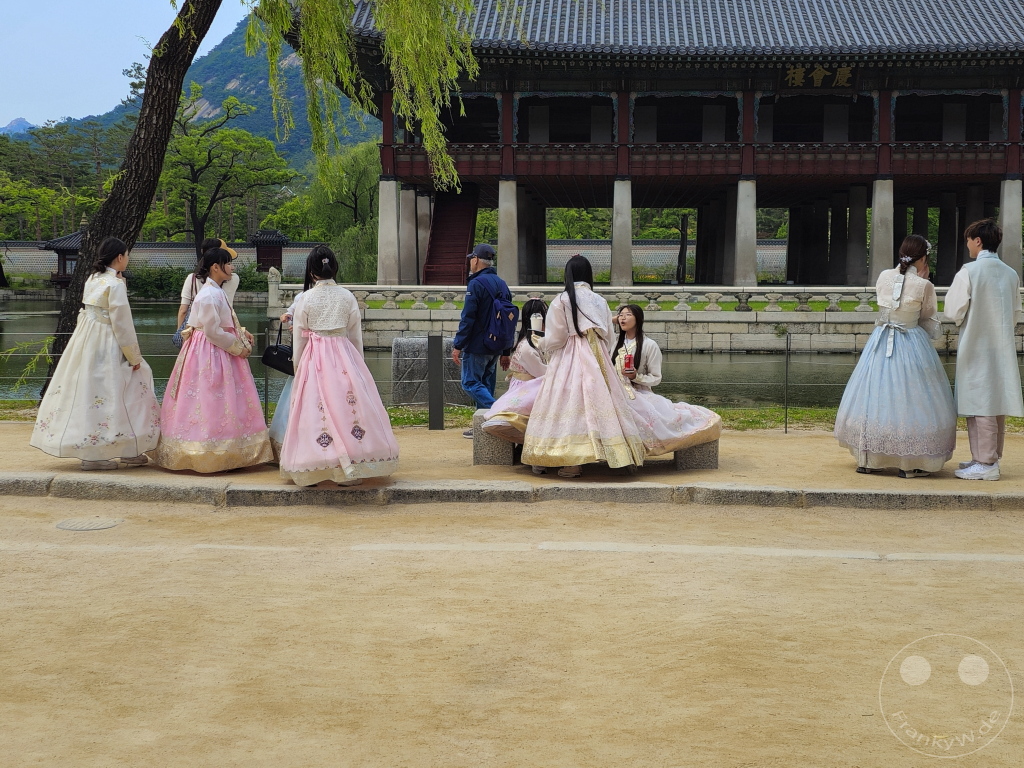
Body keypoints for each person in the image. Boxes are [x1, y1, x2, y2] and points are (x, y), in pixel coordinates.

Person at [31, 236, 160, 470]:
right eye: (127, 255)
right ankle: (124, 449)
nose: (128, 259)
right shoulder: (115, 285)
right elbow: (122, 324)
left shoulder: (93, 279)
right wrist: (134, 356)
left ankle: (100, 451)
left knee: (90, 392)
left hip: (86, 340)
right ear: (120, 257)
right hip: (108, 341)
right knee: (126, 388)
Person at [834, 235, 957, 477]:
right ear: (923, 258)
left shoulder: (883, 277)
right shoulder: (925, 286)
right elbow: (931, 324)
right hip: (911, 340)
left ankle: (869, 458)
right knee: (912, 399)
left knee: (875, 395)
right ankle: (910, 464)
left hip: (880, 340)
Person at [279, 246, 399, 485]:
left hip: (315, 357)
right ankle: (353, 460)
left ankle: (314, 465)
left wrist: (299, 366)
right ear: (334, 268)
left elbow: (300, 338)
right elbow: (355, 336)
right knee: (348, 406)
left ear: (311, 272)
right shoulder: (347, 296)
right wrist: (357, 365)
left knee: (315, 410)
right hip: (344, 354)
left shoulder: (306, 298)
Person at [521, 255, 644, 478]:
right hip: (597, 356)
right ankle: (621, 454)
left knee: (565, 403)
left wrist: (542, 342)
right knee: (606, 402)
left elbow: (557, 337)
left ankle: (569, 461)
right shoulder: (600, 301)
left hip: (569, 354)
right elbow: (608, 335)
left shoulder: (562, 299)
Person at [153, 247, 273, 472]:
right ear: (216, 267)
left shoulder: (213, 291)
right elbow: (212, 331)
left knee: (215, 399)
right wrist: (238, 348)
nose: (232, 267)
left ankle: (223, 449)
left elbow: (223, 322)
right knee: (213, 397)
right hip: (212, 351)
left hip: (214, 349)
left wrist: (240, 331)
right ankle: (211, 451)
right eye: (228, 263)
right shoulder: (209, 294)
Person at [944, 219, 1024, 481]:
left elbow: (953, 310)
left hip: (976, 343)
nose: (967, 244)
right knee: (994, 400)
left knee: (979, 402)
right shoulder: (1011, 273)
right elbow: (1015, 314)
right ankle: (986, 456)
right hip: (1000, 344)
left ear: (978, 241)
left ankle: (987, 462)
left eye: (968, 240)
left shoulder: (969, 271)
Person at [611, 304, 722, 457]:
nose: (623, 318)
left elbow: (656, 378)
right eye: (620, 315)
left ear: (639, 319)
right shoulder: (614, 343)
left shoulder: (649, 345)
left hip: (638, 392)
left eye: (628, 315)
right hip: (616, 390)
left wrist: (635, 377)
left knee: (656, 417)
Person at [452, 243, 512, 438]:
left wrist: (458, 345)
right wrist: (505, 351)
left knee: (470, 382)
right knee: (484, 385)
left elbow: (468, 317)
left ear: (476, 260)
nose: (470, 261)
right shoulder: (502, 284)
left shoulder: (476, 284)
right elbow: (508, 320)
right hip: (495, 346)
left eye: (471, 258)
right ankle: (483, 427)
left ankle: (499, 411)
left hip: (477, 344)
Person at [481, 298, 548, 454]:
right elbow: (542, 372)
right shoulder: (526, 347)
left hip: (538, 382)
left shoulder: (542, 341)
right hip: (529, 386)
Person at [176, 238, 240, 332]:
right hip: (224, 330)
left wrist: (181, 334)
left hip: (197, 333)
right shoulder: (233, 279)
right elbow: (229, 310)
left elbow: (183, 310)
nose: (232, 267)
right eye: (228, 262)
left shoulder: (192, 279)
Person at [267, 289, 302, 462]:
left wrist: (298, 328)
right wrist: (288, 314)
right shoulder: (304, 296)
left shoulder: (307, 296)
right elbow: (294, 308)